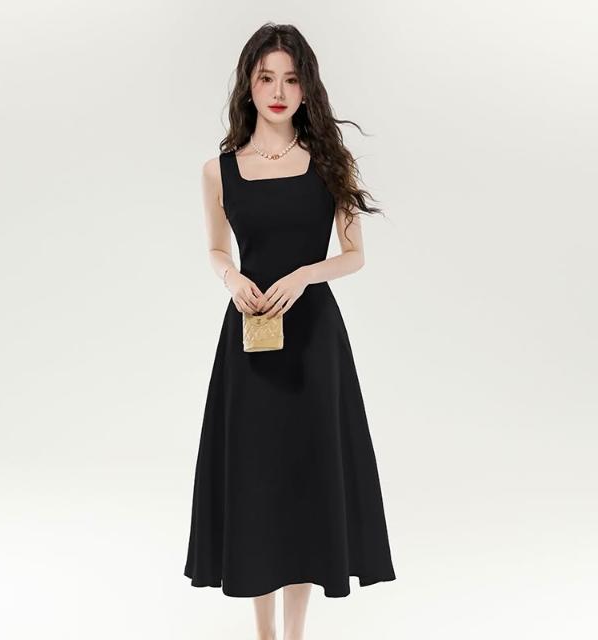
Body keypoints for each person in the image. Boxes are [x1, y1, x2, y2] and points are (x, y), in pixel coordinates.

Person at [184, 22, 396, 640]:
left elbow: (354, 256)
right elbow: (216, 250)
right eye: (266, 78)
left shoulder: (330, 163)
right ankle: (263, 634)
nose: (278, 92)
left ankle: (295, 635)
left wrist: (305, 274)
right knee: (254, 481)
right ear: (248, 86)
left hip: (313, 344)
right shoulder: (218, 170)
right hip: (250, 341)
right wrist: (231, 278)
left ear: (307, 88)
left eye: (291, 79)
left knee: (307, 481)